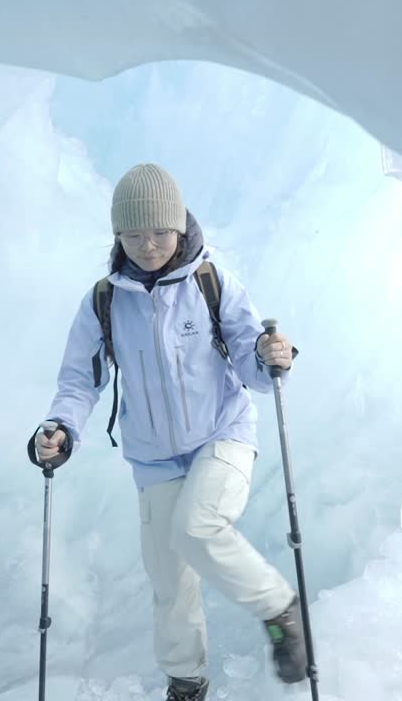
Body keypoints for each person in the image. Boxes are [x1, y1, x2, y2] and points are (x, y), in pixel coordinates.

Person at [28, 163, 307, 700]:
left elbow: (254, 363)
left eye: (158, 231)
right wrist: (60, 427)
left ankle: (278, 608)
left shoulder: (211, 282)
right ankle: (186, 681)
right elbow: (79, 380)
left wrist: (274, 355)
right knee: (169, 584)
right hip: (154, 459)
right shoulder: (105, 301)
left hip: (221, 437)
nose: (147, 245)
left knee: (197, 528)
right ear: (118, 235)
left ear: (179, 228)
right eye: (133, 234)